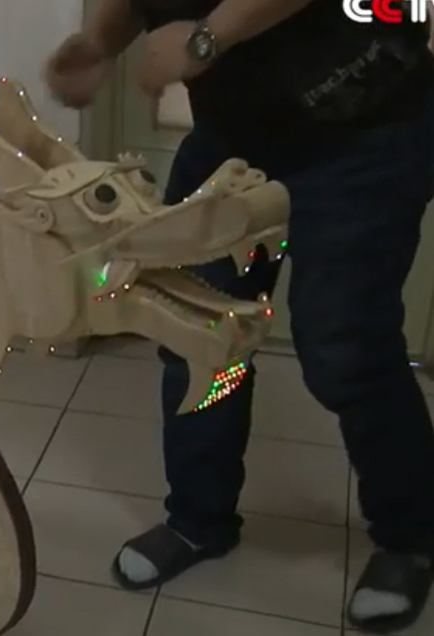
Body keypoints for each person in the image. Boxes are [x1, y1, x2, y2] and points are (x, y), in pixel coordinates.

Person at [45, 0, 434, 632]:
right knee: (196, 332)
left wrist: (204, 40)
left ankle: (411, 535)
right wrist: (100, 42)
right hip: (236, 142)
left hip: (365, 122)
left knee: (344, 349)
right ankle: (199, 521)